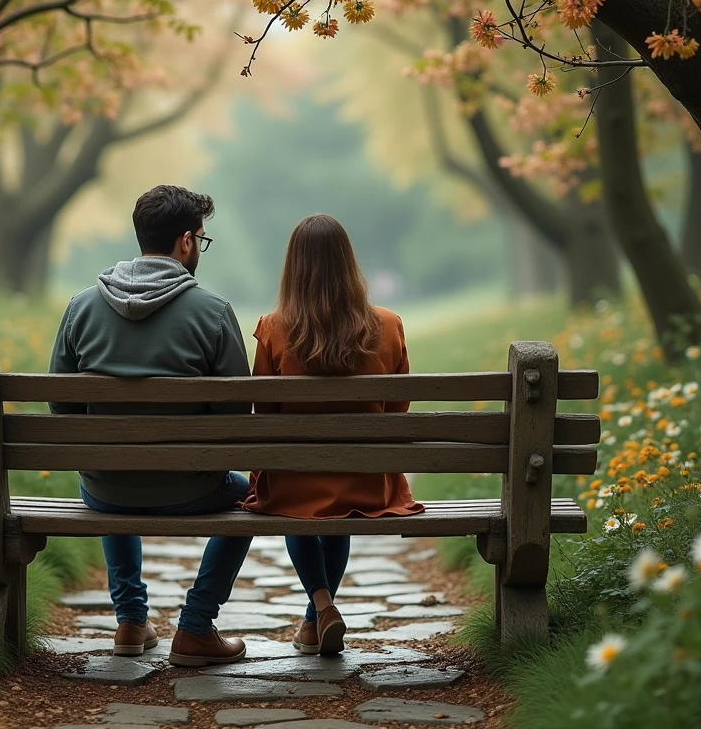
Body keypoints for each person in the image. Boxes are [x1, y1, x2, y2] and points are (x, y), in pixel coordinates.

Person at [49, 184, 253, 667]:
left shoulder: (81, 307)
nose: (199, 249)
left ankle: (131, 621)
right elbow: (235, 418)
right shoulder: (213, 311)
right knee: (248, 495)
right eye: (201, 240)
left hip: (106, 487)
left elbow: (61, 408)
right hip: (191, 487)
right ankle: (196, 626)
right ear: (185, 242)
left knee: (106, 469)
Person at [242, 214, 424, 656]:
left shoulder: (273, 327)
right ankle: (315, 619)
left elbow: (263, 414)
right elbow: (397, 412)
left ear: (293, 268)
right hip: (367, 483)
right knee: (337, 508)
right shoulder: (388, 324)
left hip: (295, 482)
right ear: (348, 263)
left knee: (295, 497)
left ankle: (321, 607)